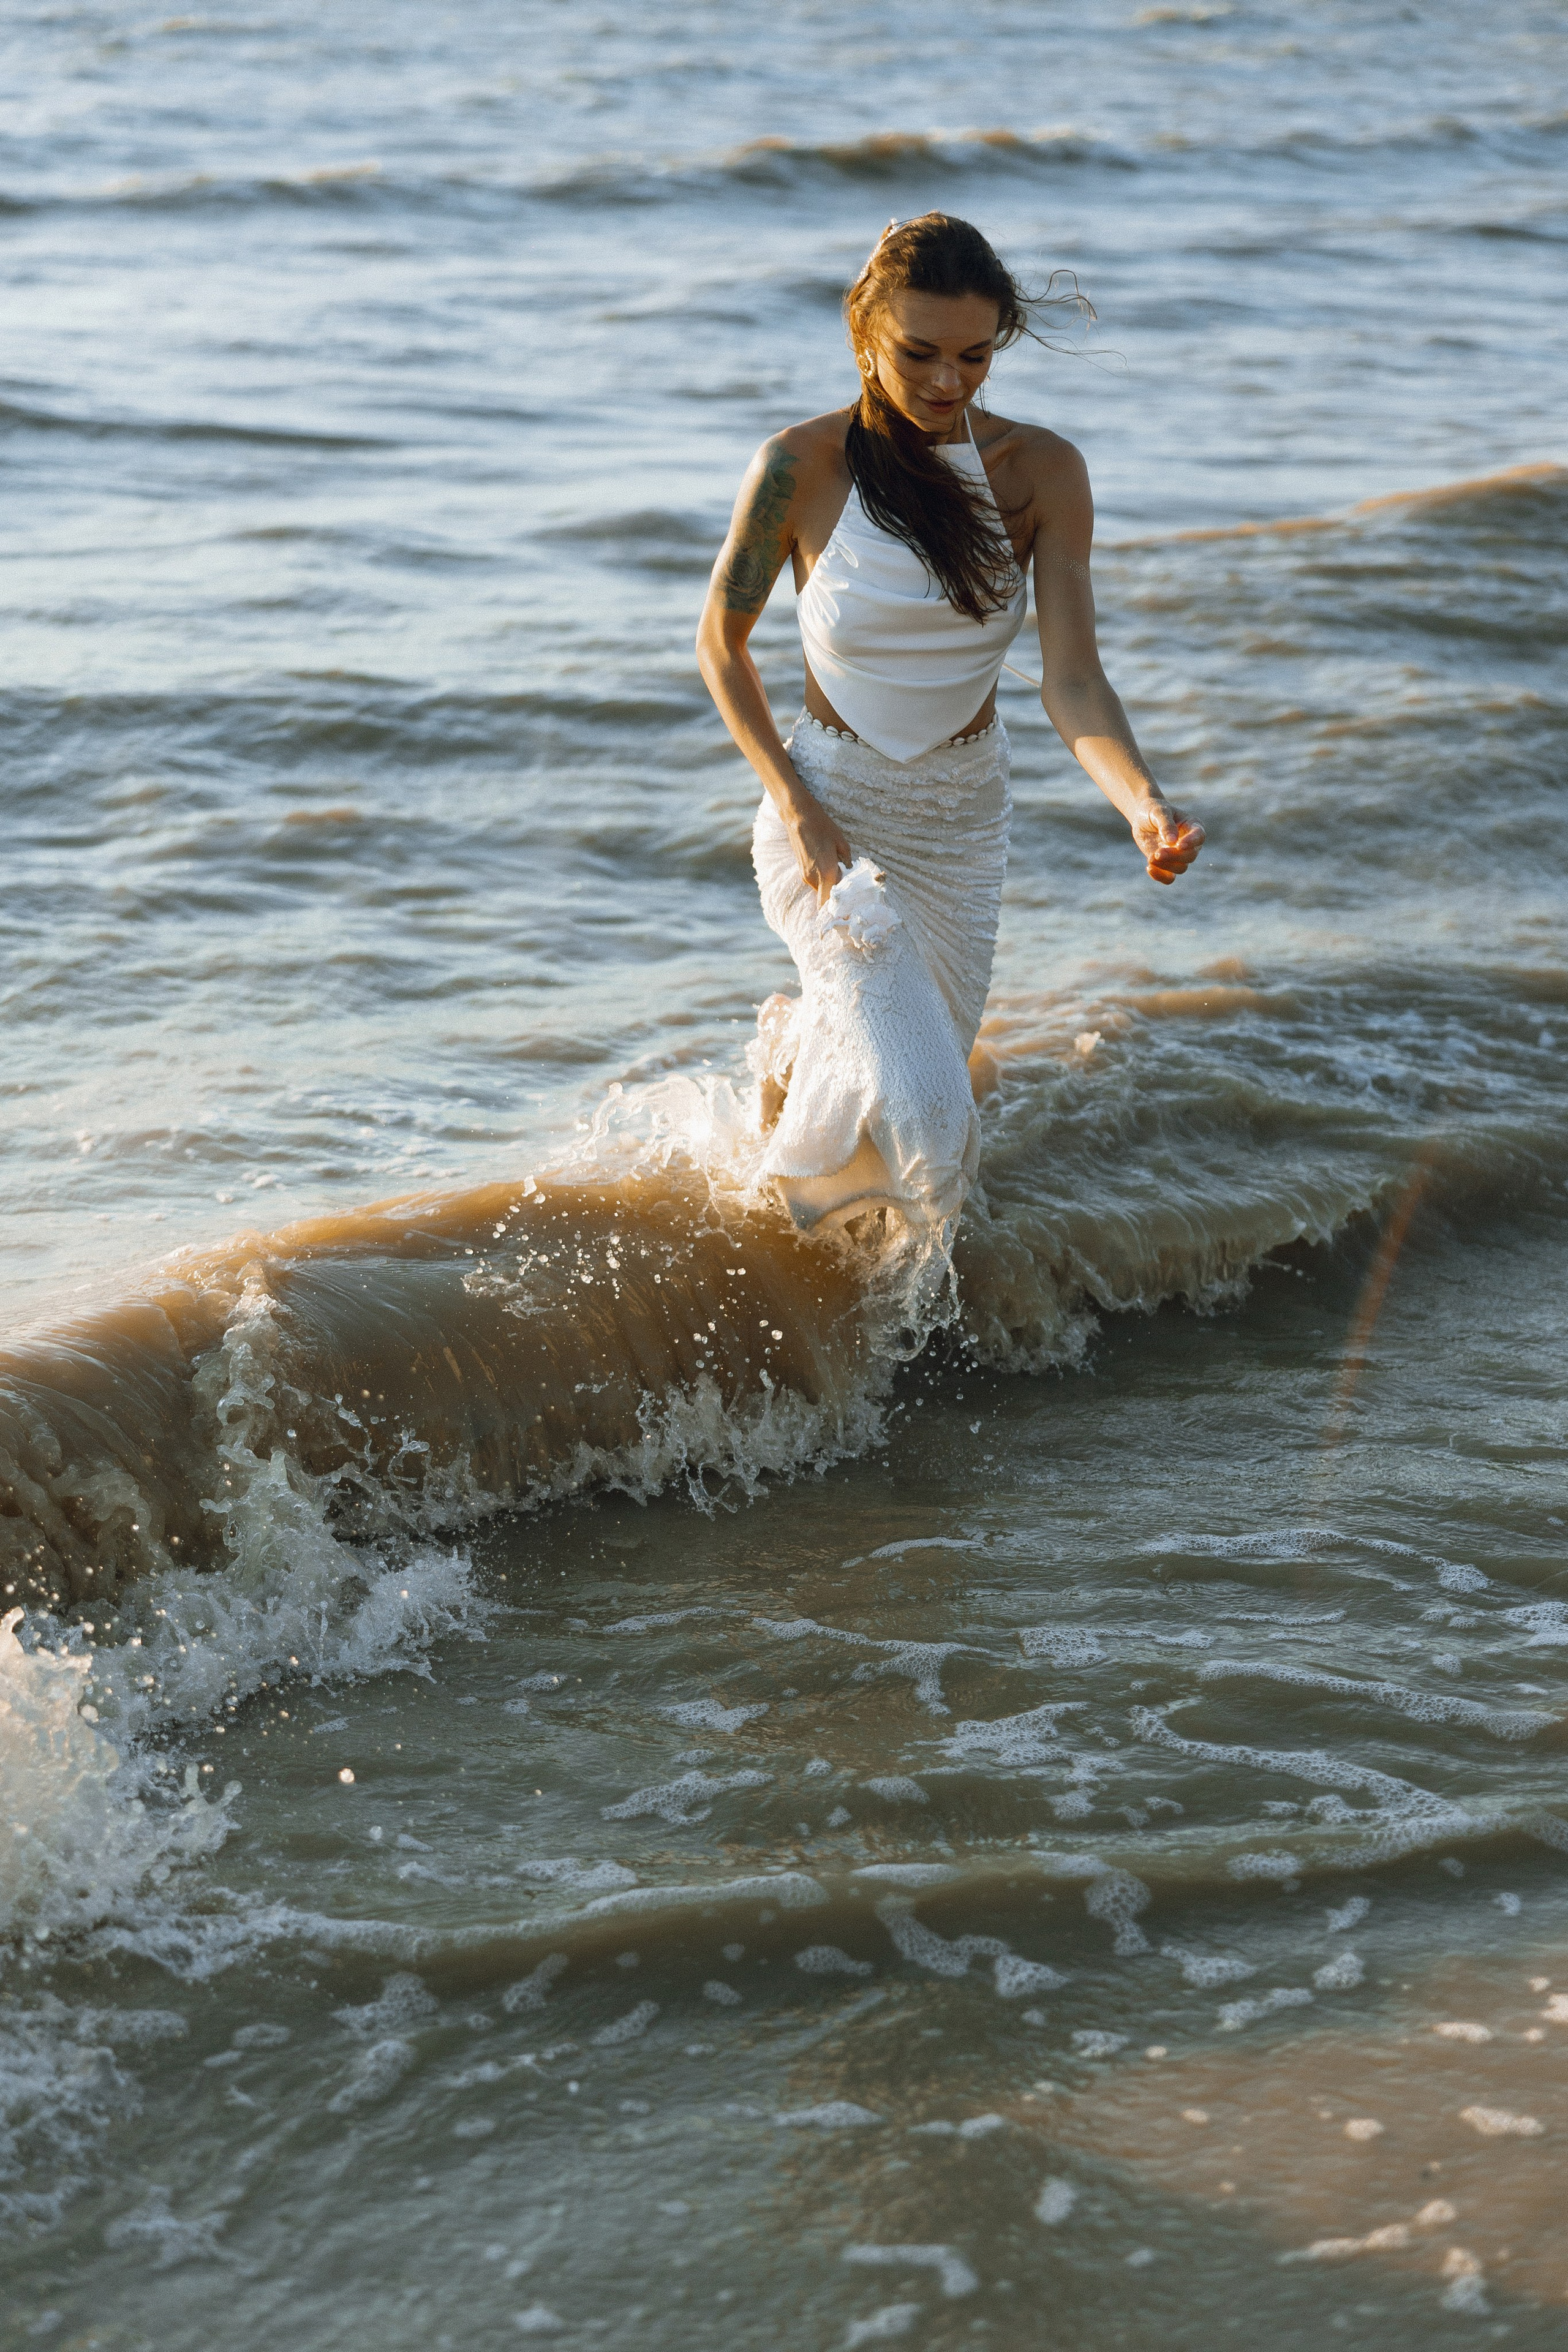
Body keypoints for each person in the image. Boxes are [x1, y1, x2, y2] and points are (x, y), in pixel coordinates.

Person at [696, 211, 1203, 1236]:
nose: (946, 381)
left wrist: (1142, 802)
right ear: (865, 335)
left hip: (964, 828)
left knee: (914, 1099)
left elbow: (1074, 680)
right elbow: (720, 647)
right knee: (932, 1109)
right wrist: (795, 807)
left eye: (974, 356)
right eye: (918, 353)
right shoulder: (799, 467)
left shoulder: (1042, 472)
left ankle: (798, 1065)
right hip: (830, 818)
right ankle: (867, 1319)